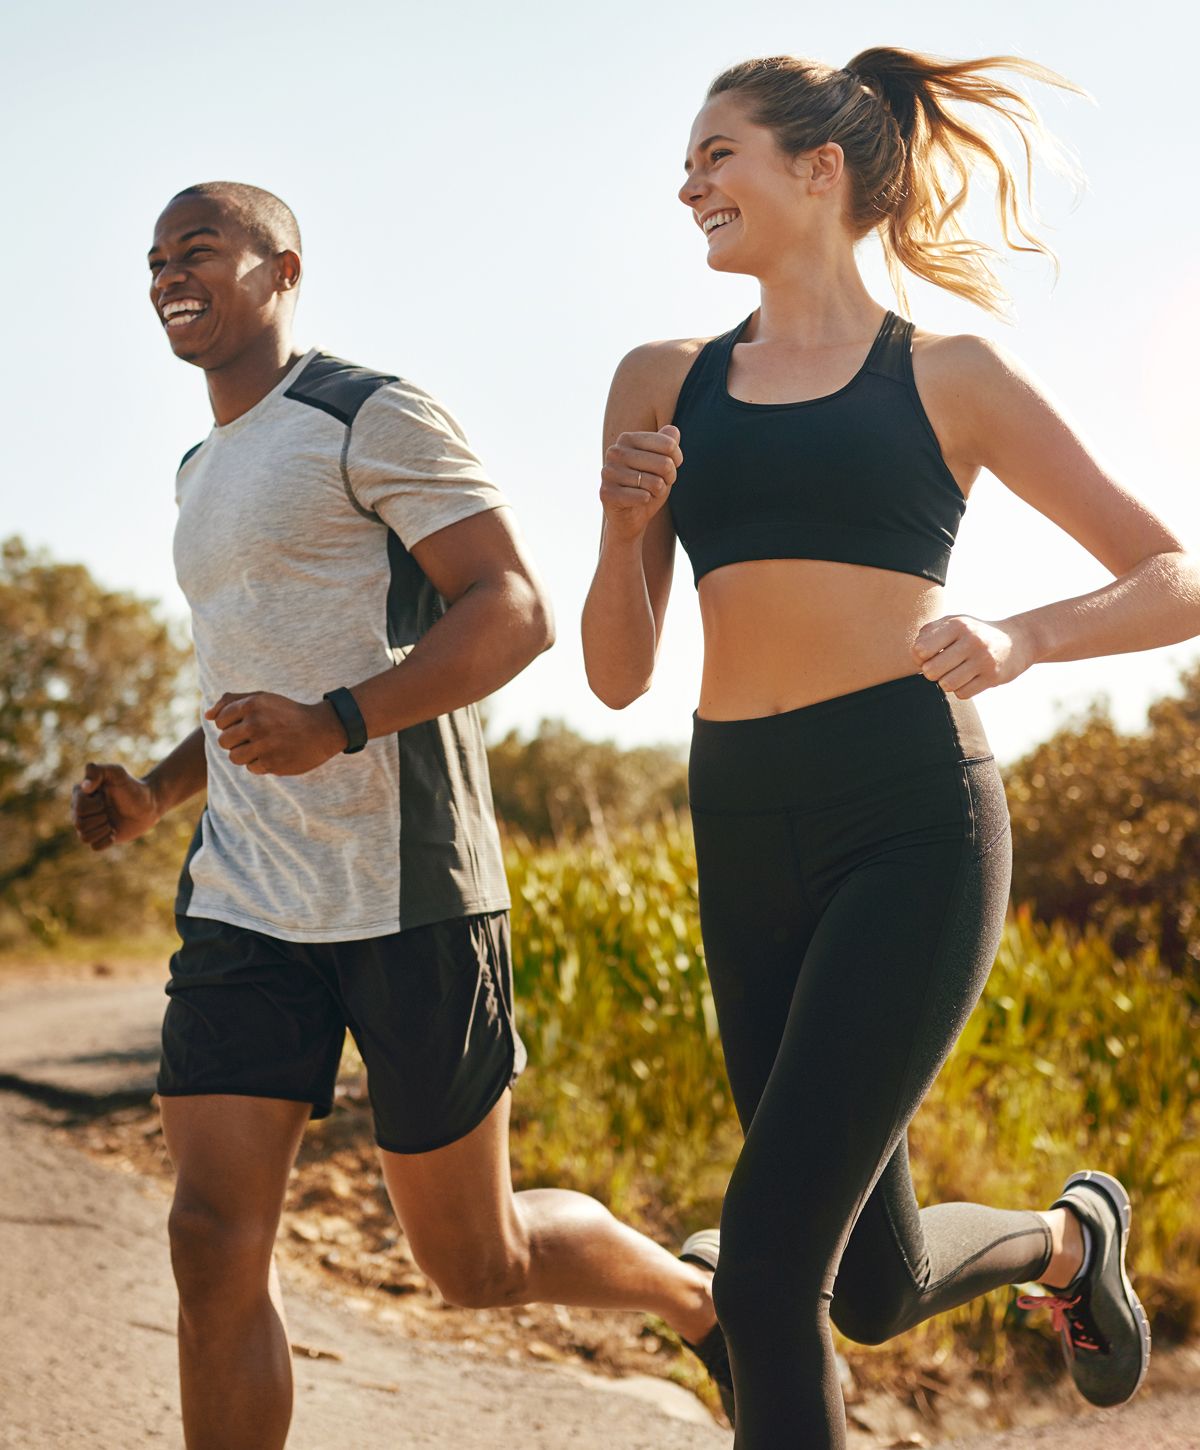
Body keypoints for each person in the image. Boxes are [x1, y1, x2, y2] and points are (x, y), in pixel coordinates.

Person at [581, 46, 1190, 1449]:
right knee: (869, 1281)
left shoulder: (951, 375)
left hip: (910, 815)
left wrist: (1028, 637)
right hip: (741, 817)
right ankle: (1067, 1238)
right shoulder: (661, 379)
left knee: (765, 1254)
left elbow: (1170, 571)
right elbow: (617, 675)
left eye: (715, 153)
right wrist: (623, 528)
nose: (689, 183)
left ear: (819, 167)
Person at [69, 181, 727, 1450]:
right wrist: (156, 792)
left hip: (410, 887)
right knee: (210, 1244)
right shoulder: (200, 466)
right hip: (247, 894)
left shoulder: (368, 412)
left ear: (282, 267)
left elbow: (513, 609)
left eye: (198, 250)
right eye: (153, 261)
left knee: (473, 1263)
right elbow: (238, 683)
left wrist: (342, 720)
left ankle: (702, 1303)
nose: (168, 276)